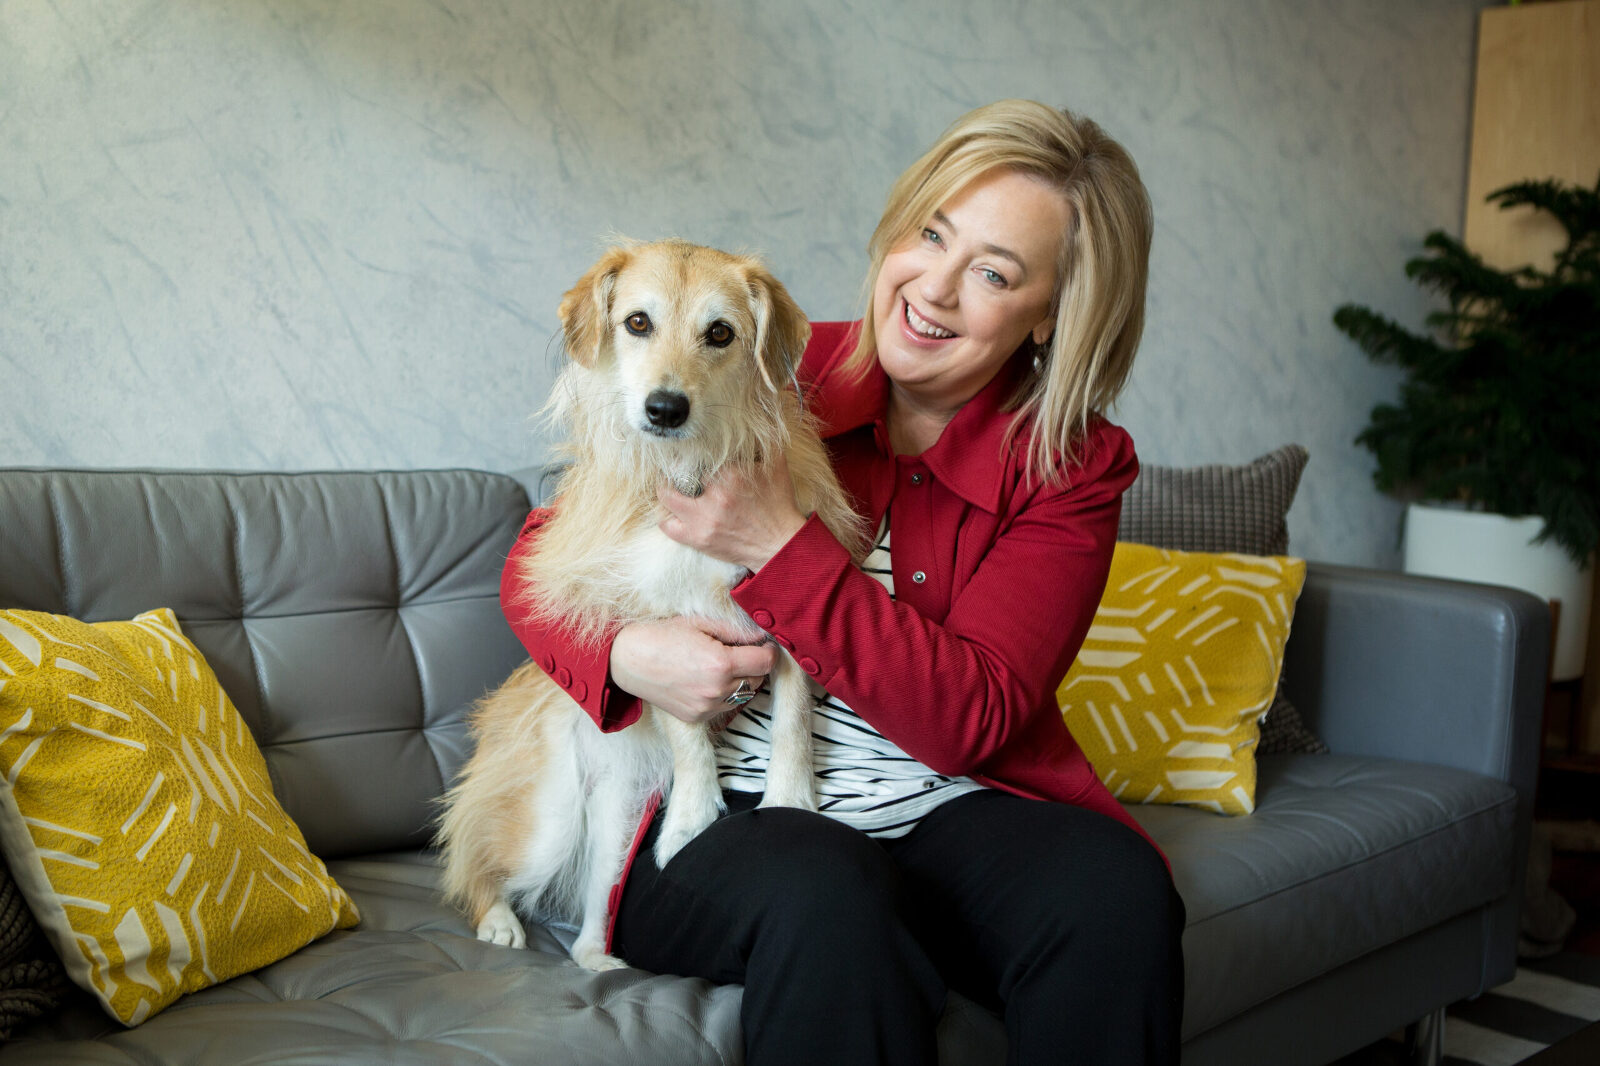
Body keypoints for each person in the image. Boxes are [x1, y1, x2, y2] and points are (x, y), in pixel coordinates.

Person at [504, 99, 1186, 1066]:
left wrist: (785, 544)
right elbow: (537, 569)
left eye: (992, 273)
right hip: (729, 810)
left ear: (1052, 316)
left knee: (1114, 893)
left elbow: (973, 717)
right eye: (930, 234)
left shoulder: (1070, 465)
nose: (935, 289)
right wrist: (627, 652)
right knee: (830, 892)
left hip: (947, 801)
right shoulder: (764, 363)